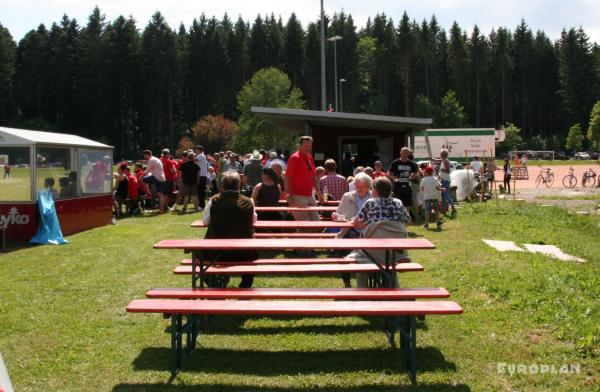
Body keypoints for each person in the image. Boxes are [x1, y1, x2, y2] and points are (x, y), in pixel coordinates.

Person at [350, 177, 411, 288]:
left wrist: (369, 224)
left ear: (376, 191)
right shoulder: (398, 202)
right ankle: (395, 289)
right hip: (395, 252)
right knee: (389, 266)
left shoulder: (370, 203)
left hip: (373, 251)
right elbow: (407, 221)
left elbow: (356, 224)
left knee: (358, 259)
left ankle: (361, 291)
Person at [203, 171, 257, 288]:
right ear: (239, 186)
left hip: (216, 254)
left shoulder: (213, 201)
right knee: (254, 255)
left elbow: (205, 222)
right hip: (244, 253)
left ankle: (215, 285)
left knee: (199, 260)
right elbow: (254, 221)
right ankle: (245, 285)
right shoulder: (249, 201)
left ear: (222, 186)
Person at [334, 172, 373, 288]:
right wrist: (336, 216)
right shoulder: (347, 196)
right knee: (341, 253)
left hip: (368, 232)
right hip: (349, 230)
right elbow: (339, 213)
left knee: (370, 254)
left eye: (362, 187)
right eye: (357, 187)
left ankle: (366, 283)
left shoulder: (374, 198)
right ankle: (347, 283)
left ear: (368, 186)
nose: (359, 189)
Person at [284, 136, 324, 221]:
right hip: (297, 195)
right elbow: (287, 178)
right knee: (304, 225)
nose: (308, 148)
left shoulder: (309, 157)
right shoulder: (294, 158)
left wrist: (319, 192)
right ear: (300, 146)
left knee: (317, 223)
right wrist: (288, 194)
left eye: (309, 146)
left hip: (309, 195)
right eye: (305, 146)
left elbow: (313, 177)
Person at [387, 147, 419, 214]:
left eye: (406, 153)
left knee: (407, 204)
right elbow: (389, 173)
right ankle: (398, 217)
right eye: (403, 153)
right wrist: (393, 178)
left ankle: (406, 219)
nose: (405, 154)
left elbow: (417, 175)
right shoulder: (395, 162)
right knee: (397, 203)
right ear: (400, 153)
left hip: (408, 186)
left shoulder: (412, 164)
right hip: (398, 186)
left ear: (408, 154)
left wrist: (413, 176)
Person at [439, 149, 457, 216]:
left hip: (446, 180)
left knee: (446, 195)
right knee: (443, 196)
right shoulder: (443, 161)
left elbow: (448, 171)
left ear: (443, 154)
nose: (440, 154)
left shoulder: (446, 161)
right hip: (443, 180)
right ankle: (444, 210)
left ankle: (453, 208)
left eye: (441, 153)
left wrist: (441, 169)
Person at [193, 145, 208, 210]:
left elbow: (194, 159)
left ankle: (202, 206)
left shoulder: (201, 155)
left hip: (202, 176)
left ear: (199, 150)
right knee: (199, 191)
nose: (195, 151)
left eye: (196, 150)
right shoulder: (201, 156)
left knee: (201, 191)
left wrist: (191, 154)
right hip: (201, 175)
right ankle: (201, 205)